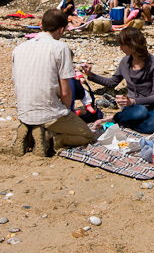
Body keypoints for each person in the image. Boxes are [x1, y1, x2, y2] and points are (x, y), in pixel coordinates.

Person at [11, 9, 95, 157]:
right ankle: (51, 139)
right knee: (86, 136)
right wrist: (68, 111)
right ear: (61, 29)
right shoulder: (61, 48)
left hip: (23, 110)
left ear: (41, 26)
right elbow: (65, 91)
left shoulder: (18, 49)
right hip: (49, 113)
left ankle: (31, 129)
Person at [81, 27, 154, 134]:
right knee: (140, 112)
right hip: (133, 108)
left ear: (132, 45)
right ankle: (117, 119)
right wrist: (91, 75)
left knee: (151, 126)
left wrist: (133, 101)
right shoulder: (125, 62)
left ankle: (116, 120)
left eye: (122, 45)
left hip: (150, 106)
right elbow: (112, 83)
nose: (120, 48)